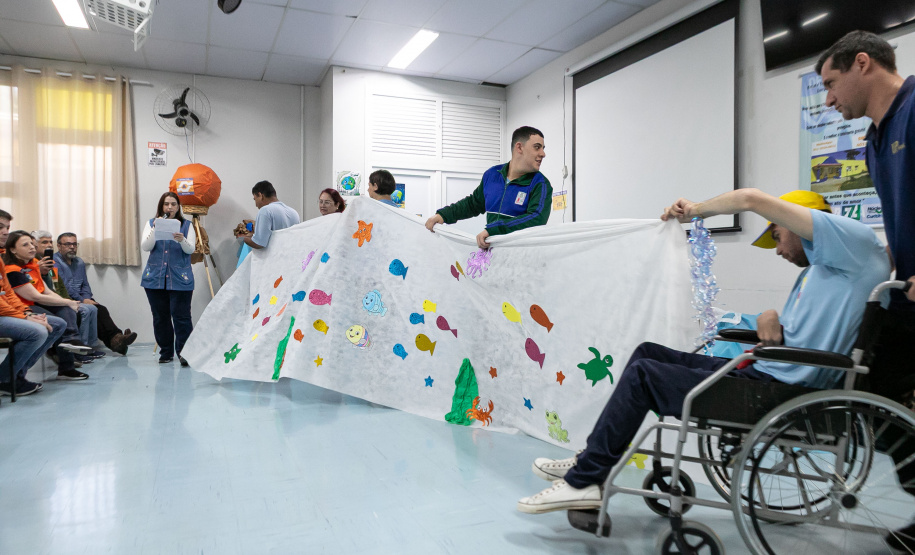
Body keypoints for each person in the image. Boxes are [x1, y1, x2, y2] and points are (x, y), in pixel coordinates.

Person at [516, 188, 889, 515]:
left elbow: (750, 199)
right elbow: (787, 330)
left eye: (777, 235)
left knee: (645, 376)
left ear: (801, 223)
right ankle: (590, 459)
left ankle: (585, 482)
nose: (777, 249)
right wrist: (770, 314)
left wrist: (694, 210)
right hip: (769, 373)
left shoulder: (854, 245)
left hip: (781, 390)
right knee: (648, 353)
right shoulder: (821, 270)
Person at [816, 30, 915, 550]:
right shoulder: (874, 141)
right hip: (904, 296)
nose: (829, 100)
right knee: (874, 399)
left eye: (832, 85)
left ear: (862, 64)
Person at [425, 126, 552, 249]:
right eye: (537, 147)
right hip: (494, 258)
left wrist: (494, 230)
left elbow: (536, 218)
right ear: (519, 147)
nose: (543, 154)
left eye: (543, 148)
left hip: (522, 261)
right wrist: (443, 215)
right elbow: (473, 204)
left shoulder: (540, 184)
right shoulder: (492, 175)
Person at [3, 230, 87, 382]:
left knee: (66, 310)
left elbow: (47, 290)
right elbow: (34, 296)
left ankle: (70, 349)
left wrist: (68, 302)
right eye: (25, 245)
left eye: (32, 244)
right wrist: (68, 301)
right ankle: (14, 375)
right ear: (13, 250)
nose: (32, 248)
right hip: (22, 307)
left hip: (31, 305)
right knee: (56, 321)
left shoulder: (33, 264)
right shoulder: (12, 271)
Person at [0, 211, 69, 395]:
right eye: (1, 227)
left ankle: (17, 375)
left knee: (56, 323)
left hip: (8, 312)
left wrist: (28, 314)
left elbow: (7, 294)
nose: (6, 232)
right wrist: (24, 316)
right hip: (3, 315)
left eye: (7, 227)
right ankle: (5, 378)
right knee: (37, 331)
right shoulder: (12, 267)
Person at [54, 232, 137, 355]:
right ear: (59, 246)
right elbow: (64, 287)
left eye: (74, 244)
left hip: (81, 298)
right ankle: (114, 342)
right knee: (91, 310)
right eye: (67, 244)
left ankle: (117, 340)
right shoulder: (55, 262)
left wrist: (87, 297)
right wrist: (82, 300)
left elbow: (85, 284)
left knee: (101, 309)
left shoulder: (79, 262)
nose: (72, 247)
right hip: (65, 299)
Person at [141, 192, 196, 366]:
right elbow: (145, 246)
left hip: (180, 278)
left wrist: (182, 240)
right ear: (161, 206)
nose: (170, 207)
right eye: (166, 204)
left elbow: (191, 250)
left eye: (173, 204)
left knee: (181, 317)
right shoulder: (151, 223)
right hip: (155, 278)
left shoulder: (187, 225)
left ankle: (185, 353)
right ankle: (166, 352)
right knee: (160, 317)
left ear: (178, 207)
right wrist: (156, 229)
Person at [31, 230, 104, 359]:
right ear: (35, 245)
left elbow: (59, 286)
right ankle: (74, 352)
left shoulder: (52, 263)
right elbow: (38, 293)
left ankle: (87, 348)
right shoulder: (35, 264)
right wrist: (69, 301)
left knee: (94, 308)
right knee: (80, 310)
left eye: (50, 242)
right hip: (37, 303)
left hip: (56, 298)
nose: (49, 245)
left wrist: (71, 300)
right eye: (44, 242)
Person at [241, 180, 300, 250]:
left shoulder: (265, 210)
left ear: (260, 195)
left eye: (255, 199)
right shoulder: (294, 212)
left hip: (274, 258)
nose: (256, 204)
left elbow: (259, 243)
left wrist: (244, 238)